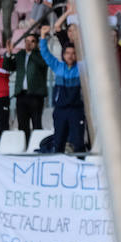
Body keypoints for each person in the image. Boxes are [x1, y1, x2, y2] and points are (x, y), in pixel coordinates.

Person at [40, 25, 85, 153]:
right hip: (60, 110)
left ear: (77, 55)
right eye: (67, 53)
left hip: (76, 110)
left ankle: (80, 168)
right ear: (63, 55)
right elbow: (45, 53)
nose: (70, 56)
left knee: (78, 142)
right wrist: (43, 36)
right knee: (59, 142)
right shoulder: (58, 67)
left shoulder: (82, 68)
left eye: (73, 53)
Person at [4, 35, 48, 141]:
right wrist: (9, 54)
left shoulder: (41, 55)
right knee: (22, 124)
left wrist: (31, 52)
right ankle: (25, 146)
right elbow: (8, 67)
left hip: (36, 95)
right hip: (21, 94)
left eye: (32, 41)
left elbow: (43, 64)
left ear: (36, 43)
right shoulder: (20, 54)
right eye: (27, 41)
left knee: (36, 123)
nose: (29, 43)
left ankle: (38, 146)